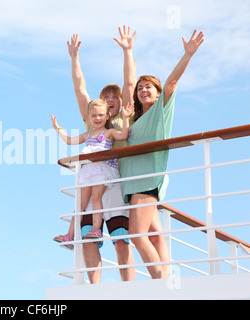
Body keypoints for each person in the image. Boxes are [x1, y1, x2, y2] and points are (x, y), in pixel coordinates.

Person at [120, 29, 205, 279]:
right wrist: (127, 52)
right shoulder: (136, 120)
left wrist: (187, 55)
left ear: (157, 94)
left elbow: (171, 83)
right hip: (133, 182)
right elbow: (127, 86)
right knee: (155, 234)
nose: (143, 90)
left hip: (147, 180)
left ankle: (161, 281)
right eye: (140, 88)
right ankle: (165, 274)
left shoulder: (160, 112)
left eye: (148, 87)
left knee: (137, 234)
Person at [59, 28, 137, 283]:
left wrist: (127, 51)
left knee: (120, 240)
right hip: (91, 181)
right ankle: (95, 291)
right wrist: (74, 58)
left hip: (113, 185)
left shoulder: (123, 120)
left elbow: (128, 84)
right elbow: (80, 88)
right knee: (89, 240)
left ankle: (129, 289)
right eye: (107, 97)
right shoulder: (92, 122)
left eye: (115, 97)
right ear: (100, 103)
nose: (112, 99)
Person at [51, 99, 133, 244]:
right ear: (89, 117)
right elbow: (69, 140)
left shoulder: (109, 132)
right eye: (94, 115)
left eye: (101, 115)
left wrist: (125, 118)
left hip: (102, 169)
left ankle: (96, 229)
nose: (97, 118)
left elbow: (123, 136)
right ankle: (69, 234)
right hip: (88, 170)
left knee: (96, 198)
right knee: (80, 204)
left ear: (107, 116)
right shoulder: (87, 135)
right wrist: (57, 128)